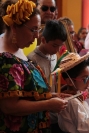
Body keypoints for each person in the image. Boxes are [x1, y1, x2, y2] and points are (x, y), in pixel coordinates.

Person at [0, 0, 67, 132]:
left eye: (39, 29)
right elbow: (10, 106)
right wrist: (48, 104)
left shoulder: (18, 50)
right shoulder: (4, 57)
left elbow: (26, 93)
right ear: (14, 27)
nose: (36, 36)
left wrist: (49, 96)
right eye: (33, 30)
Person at [52, 52, 89, 133]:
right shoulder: (72, 102)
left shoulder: (76, 96)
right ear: (70, 81)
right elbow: (84, 128)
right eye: (85, 79)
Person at [27, 20, 67, 86]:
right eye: (54, 45)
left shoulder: (54, 56)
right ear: (43, 40)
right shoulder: (32, 59)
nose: (57, 50)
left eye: (60, 46)